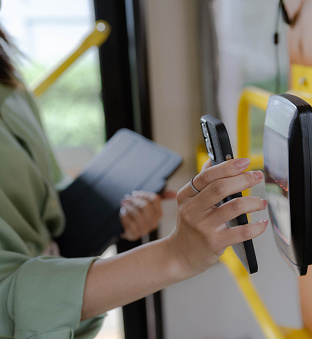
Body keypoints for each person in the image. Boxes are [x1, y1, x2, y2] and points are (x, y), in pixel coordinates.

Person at [0, 26, 268, 338]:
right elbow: (9, 301)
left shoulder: (13, 89)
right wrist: (175, 255)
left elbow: (49, 204)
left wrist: (115, 214)